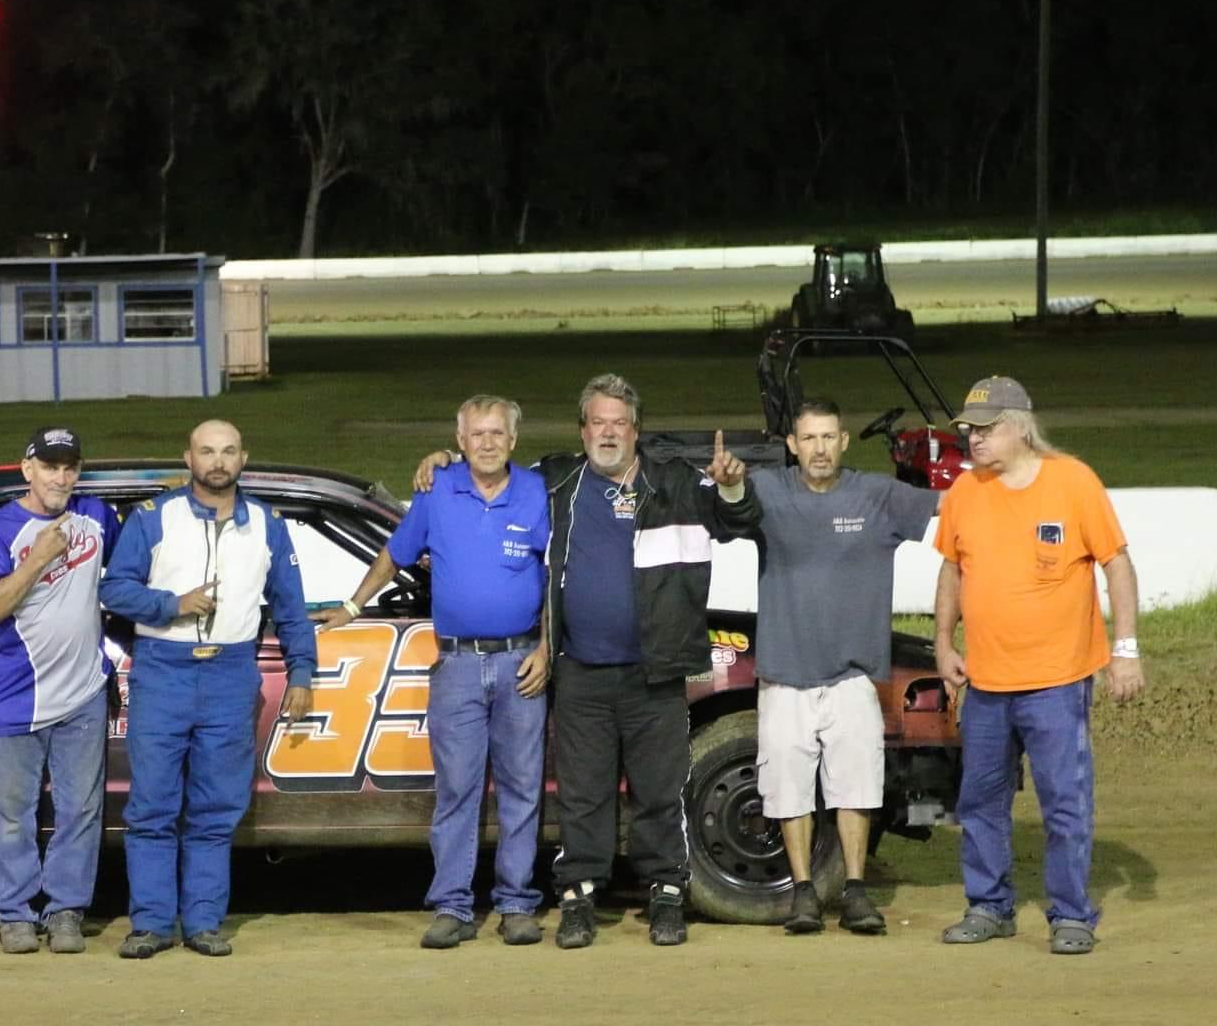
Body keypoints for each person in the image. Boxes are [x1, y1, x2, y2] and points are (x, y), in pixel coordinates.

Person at [415, 373, 756, 948]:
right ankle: (579, 897)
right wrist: (446, 456)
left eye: (619, 422)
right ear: (582, 430)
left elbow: (737, 522)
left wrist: (730, 488)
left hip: (657, 673)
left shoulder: (675, 483)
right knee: (583, 796)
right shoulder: (555, 481)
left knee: (658, 792)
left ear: (636, 430)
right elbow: (491, 461)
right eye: (597, 422)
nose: (608, 432)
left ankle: (666, 895)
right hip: (579, 674)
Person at [319, 395, 551, 949]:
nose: (488, 443)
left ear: (513, 440)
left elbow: (556, 573)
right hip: (457, 665)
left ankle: (517, 904)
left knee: (522, 790)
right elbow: (394, 554)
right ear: (461, 438)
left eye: (497, 433)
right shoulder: (437, 490)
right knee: (457, 792)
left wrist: (546, 646)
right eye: (477, 434)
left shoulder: (539, 493)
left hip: (523, 663)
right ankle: (452, 906)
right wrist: (352, 607)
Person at [932, 375, 1144, 956]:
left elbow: (1117, 566)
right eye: (968, 430)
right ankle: (989, 905)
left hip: (1056, 681)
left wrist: (1124, 651)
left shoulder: (1073, 482)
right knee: (979, 800)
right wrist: (943, 644)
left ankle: (1072, 914)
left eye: (985, 428)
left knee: (1064, 801)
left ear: (1020, 428)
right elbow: (952, 569)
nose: (973, 440)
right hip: (987, 683)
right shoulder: (964, 493)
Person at [100, 420, 317, 959]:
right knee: (151, 806)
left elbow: (290, 606)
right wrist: (172, 604)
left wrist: (303, 671)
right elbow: (114, 589)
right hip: (162, 672)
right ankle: (150, 924)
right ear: (188, 458)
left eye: (227, 451)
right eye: (206, 451)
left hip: (231, 674)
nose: (217, 461)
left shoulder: (267, 524)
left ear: (244, 458)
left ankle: (202, 923)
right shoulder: (153, 518)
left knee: (216, 809)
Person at [739, 398, 940, 937]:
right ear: (792, 445)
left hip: (853, 676)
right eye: (809, 438)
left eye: (828, 437)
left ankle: (855, 891)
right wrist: (728, 485)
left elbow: (951, 507)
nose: (820, 448)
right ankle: (803, 892)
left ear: (844, 441)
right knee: (787, 790)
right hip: (785, 673)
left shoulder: (878, 495)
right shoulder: (767, 491)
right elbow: (726, 512)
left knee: (856, 788)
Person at [0, 427, 122, 955]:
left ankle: (65, 912)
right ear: (27, 468)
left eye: (70, 466)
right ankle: (14, 913)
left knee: (82, 808)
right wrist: (37, 558)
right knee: (15, 811)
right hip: (18, 693)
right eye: (51, 466)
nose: (61, 477)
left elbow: (123, 581)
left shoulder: (98, 517)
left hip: (83, 690)